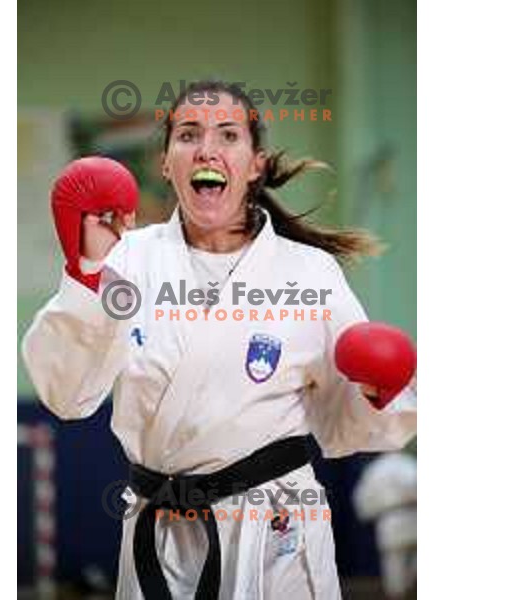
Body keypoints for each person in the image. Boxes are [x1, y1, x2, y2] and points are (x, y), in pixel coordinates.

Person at [22, 80, 417, 600]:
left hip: (275, 534)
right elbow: (68, 397)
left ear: (255, 163)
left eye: (228, 135)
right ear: (166, 163)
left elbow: (345, 427)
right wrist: (88, 272)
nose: (206, 148)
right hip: (158, 536)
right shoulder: (126, 259)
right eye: (188, 135)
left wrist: (381, 392)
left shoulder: (310, 274)